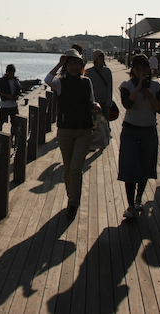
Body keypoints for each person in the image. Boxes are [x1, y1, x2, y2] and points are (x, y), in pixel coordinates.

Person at [45, 49, 101, 220]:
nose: (74, 67)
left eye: (77, 63)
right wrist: (59, 64)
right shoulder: (60, 83)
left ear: (81, 65)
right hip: (65, 130)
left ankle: (73, 203)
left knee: (76, 168)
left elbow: (91, 101)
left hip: (84, 130)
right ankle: (72, 197)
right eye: (71, 64)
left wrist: (96, 106)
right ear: (66, 66)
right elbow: (47, 79)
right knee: (68, 168)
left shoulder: (87, 82)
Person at [118, 54, 160, 218]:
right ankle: (130, 205)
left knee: (145, 165)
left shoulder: (156, 87)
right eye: (138, 70)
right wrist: (138, 88)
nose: (141, 73)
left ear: (149, 69)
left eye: (144, 69)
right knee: (130, 166)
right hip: (130, 129)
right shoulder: (126, 85)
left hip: (149, 129)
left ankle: (138, 198)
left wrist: (150, 96)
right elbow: (127, 104)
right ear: (133, 70)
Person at [0, 64, 22, 145]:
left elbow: (20, 90)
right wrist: (7, 96)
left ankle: (12, 139)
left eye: (13, 73)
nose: (11, 75)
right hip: (4, 105)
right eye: (10, 73)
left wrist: (17, 95)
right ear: (7, 72)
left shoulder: (16, 80)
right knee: (1, 122)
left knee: (14, 123)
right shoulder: (0, 81)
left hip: (14, 105)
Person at [86, 50, 114, 119]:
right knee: (94, 122)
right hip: (93, 103)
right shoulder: (88, 72)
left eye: (103, 56)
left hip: (104, 102)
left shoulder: (107, 71)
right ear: (95, 58)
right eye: (100, 56)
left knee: (104, 122)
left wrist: (109, 102)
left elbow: (109, 87)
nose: (102, 58)